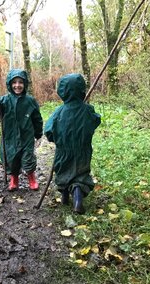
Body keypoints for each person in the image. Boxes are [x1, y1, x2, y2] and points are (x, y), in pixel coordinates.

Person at [44, 73, 101, 214]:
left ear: (62, 91)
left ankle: (64, 196)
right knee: (80, 173)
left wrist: (55, 139)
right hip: (83, 151)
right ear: (82, 89)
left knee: (64, 171)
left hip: (64, 151)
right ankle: (77, 197)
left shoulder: (59, 112)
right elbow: (96, 120)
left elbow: (49, 130)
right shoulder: (87, 110)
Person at [0, 69, 43, 191]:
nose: (17, 85)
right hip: (9, 136)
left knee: (28, 157)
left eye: (20, 82)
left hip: (26, 135)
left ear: (25, 84)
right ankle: (14, 178)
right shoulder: (3, 100)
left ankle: (31, 178)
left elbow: (37, 118)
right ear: (10, 84)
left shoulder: (30, 101)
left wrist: (38, 133)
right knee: (11, 158)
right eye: (14, 83)